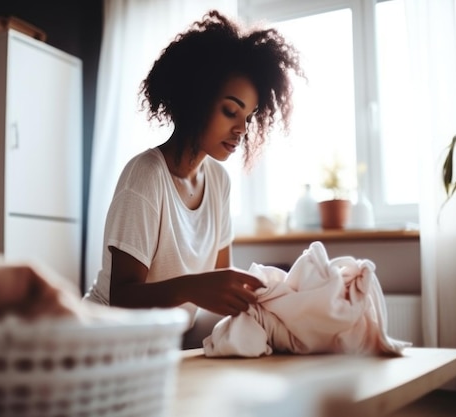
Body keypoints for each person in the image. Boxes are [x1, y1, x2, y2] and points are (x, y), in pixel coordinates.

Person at [83, 10, 303, 348]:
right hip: (103, 342)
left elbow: (218, 287)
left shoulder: (218, 182)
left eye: (248, 117)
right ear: (195, 100)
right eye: (230, 111)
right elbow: (121, 298)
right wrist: (192, 287)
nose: (242, 129)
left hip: (162, 346)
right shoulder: (145, 177)